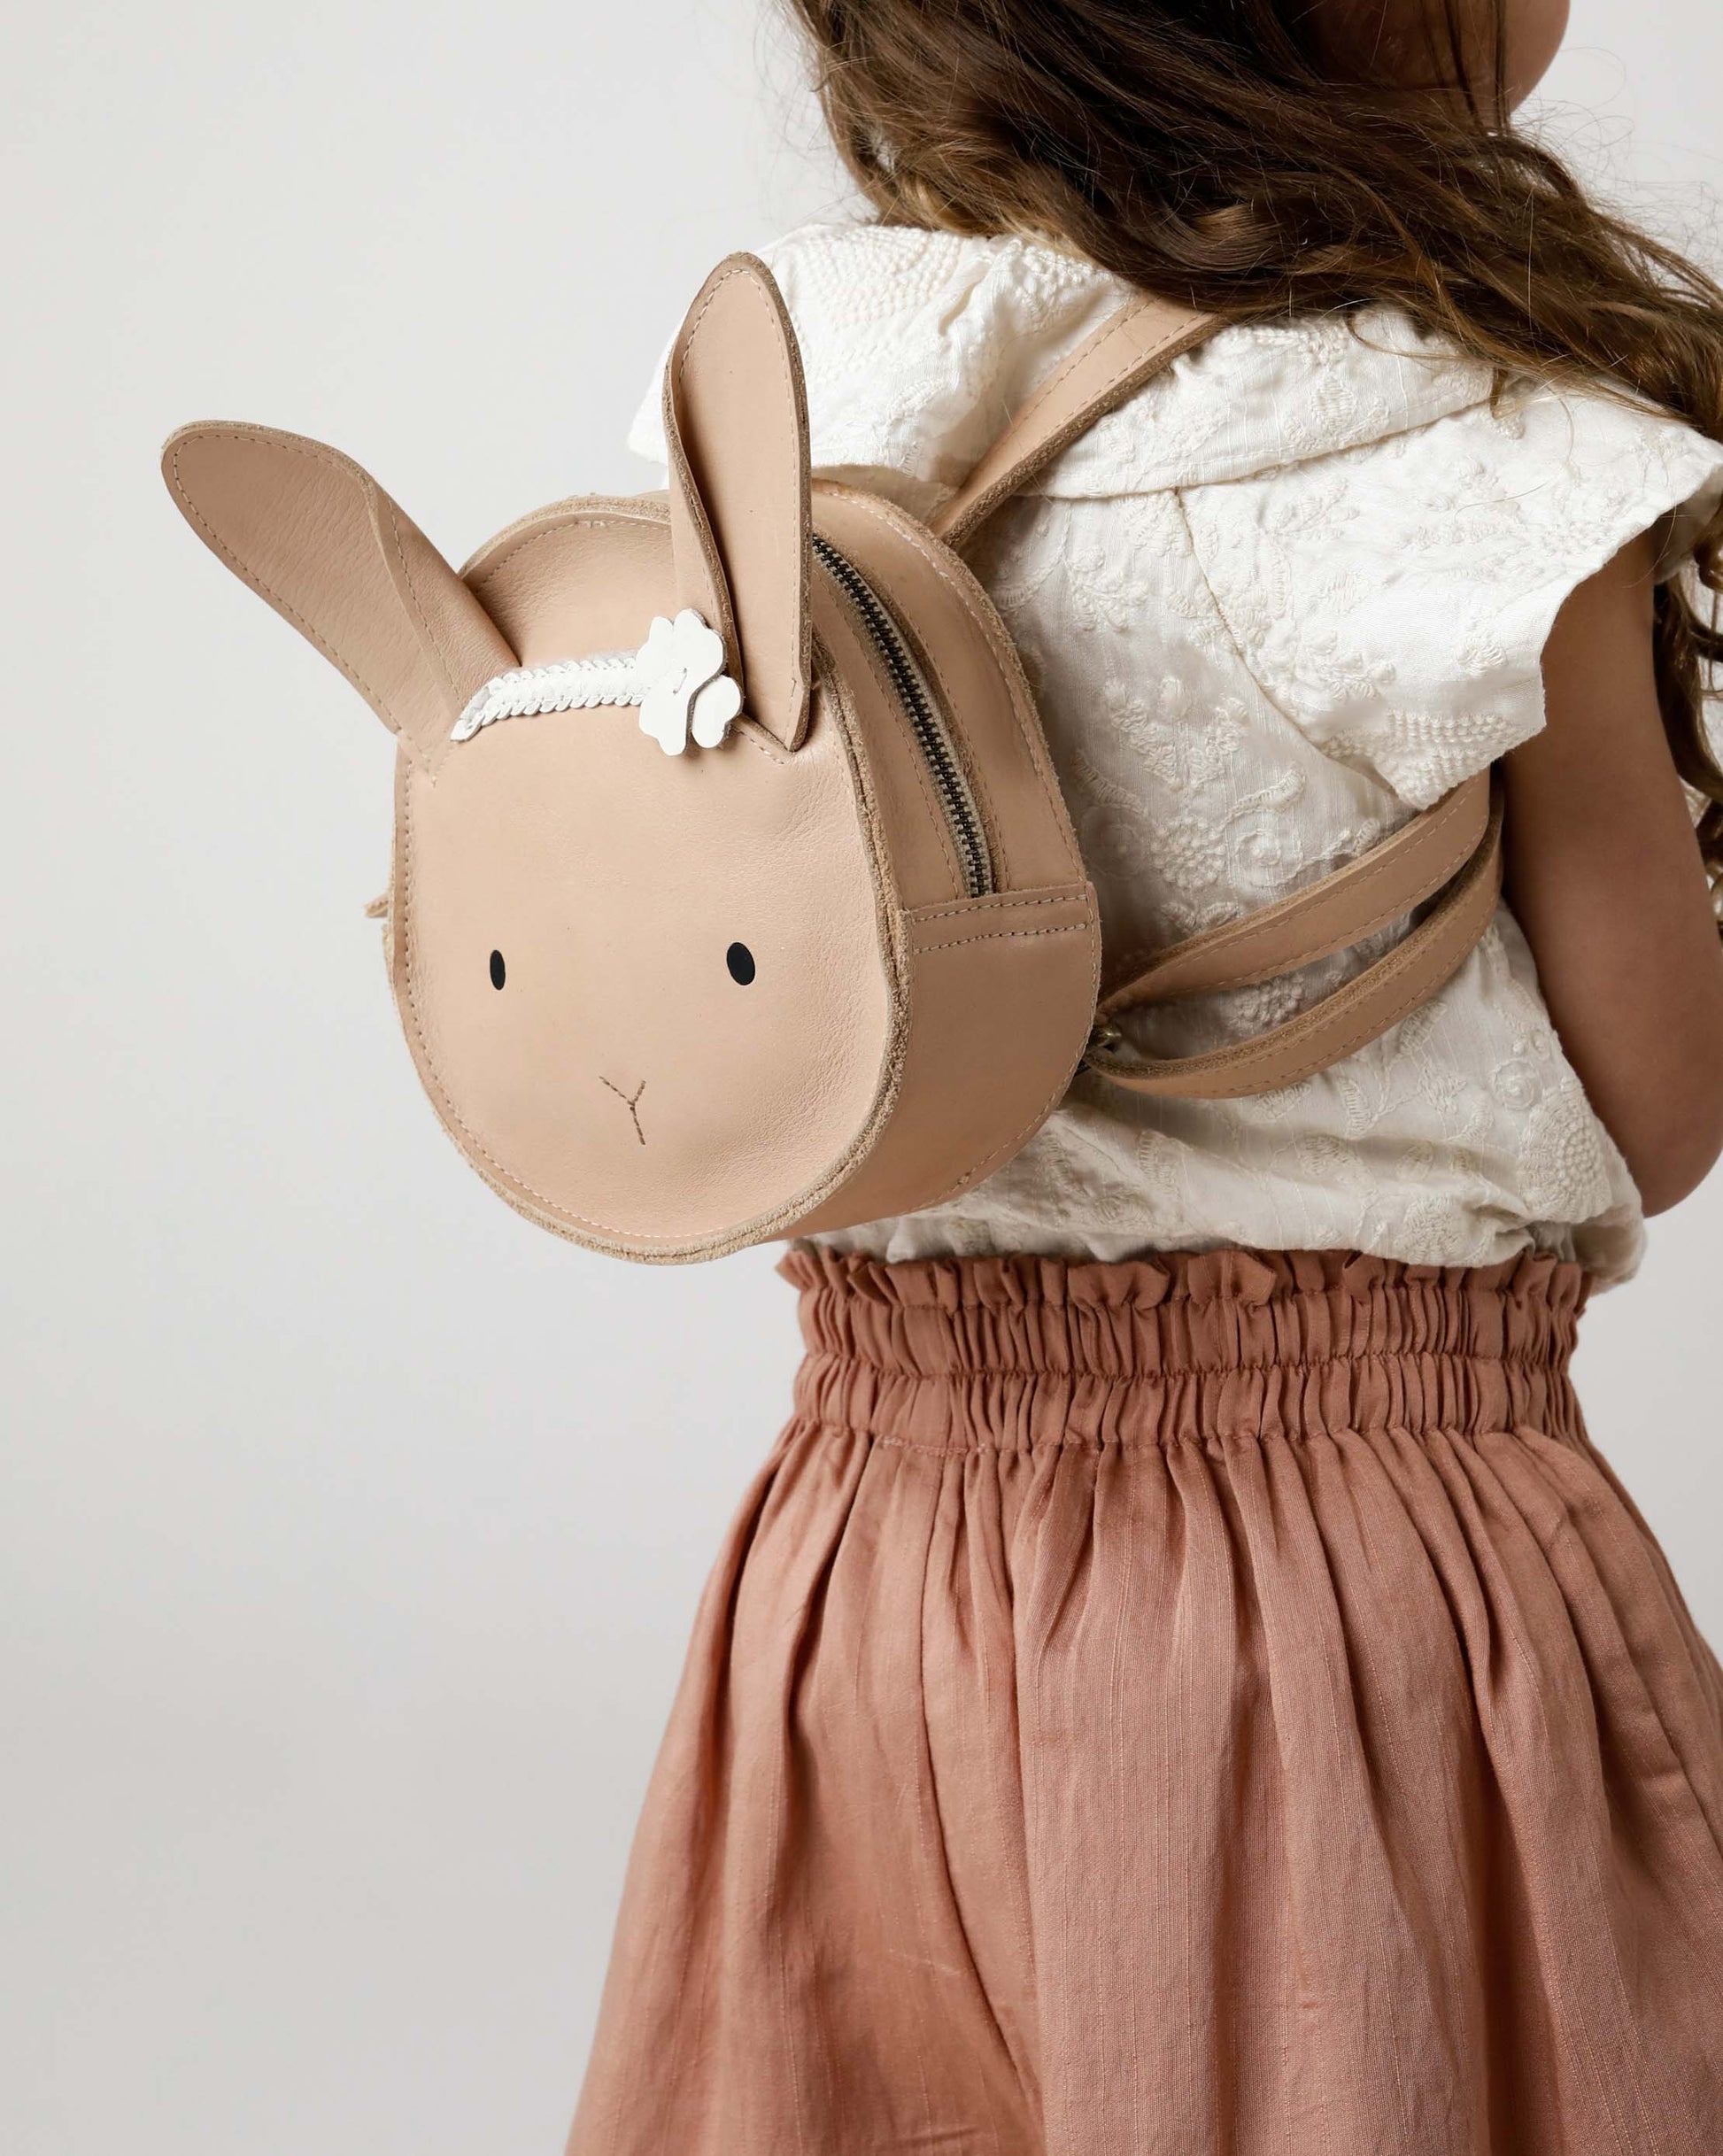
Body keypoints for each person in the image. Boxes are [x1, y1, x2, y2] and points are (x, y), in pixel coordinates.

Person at [571, 4, 1723, 2148]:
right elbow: (1656, 1104)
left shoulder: (791, 369)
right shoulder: (1490, 442)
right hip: (1363, 1603)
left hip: (869, 1572)